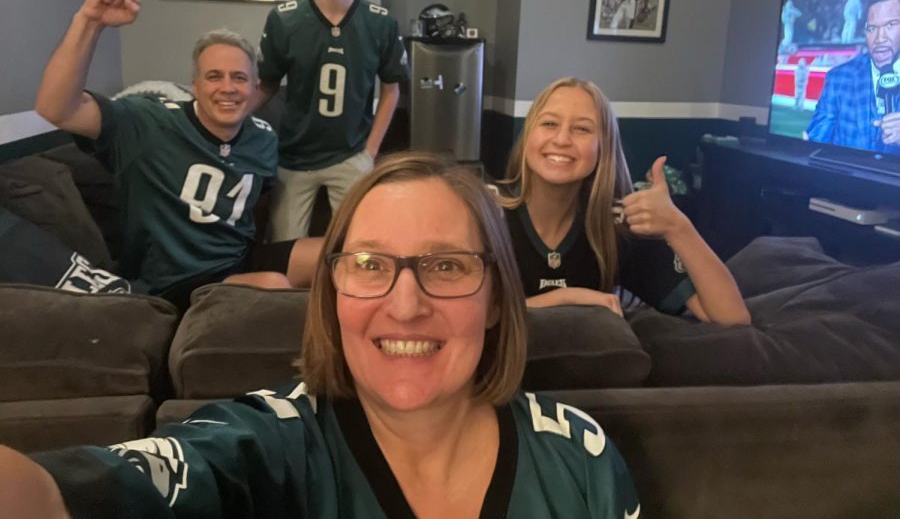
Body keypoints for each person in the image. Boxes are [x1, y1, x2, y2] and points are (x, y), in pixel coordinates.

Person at [0, 152, 641, 518]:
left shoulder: (576, 455)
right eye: (369, 265)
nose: (406, 304)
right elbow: (61, 496)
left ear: (499, 299)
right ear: (332, 295)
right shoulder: (267, 444)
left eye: (446, 265)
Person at [34, 0, 321, 310]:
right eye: (214, 76)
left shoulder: (263, 136)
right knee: (272, 285)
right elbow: (55, 108)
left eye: (239, 78)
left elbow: (256, 205)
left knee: (341, 257)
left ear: (254, 87)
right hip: (173, 281)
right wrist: (89, 21)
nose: (228, 88)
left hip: (240, 261)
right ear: (195, 85)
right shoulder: (147, 122)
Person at [498, 78, 750, 326]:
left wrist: (677, 226)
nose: (562, 139)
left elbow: (732, 317)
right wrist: (569, 298)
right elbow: (477, 312)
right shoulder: (487, 215)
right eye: (550, 123)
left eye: (582, 129)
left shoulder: (617, 224)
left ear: (603, 149)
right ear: (528, 136)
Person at [256, 0, 409, 240]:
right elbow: (265, 85)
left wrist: (369, 152)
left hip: (351, 153)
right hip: (295, 156)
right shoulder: (285, 19)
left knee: (358, 245)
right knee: (284, 248)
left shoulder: (380, 22)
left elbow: (391, 88)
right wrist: (225, 121)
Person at [806, 0, 900, 152]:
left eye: (890, 25)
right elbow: (816, 143)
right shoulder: (839, 78)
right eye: (872, 28)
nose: (880, 38)